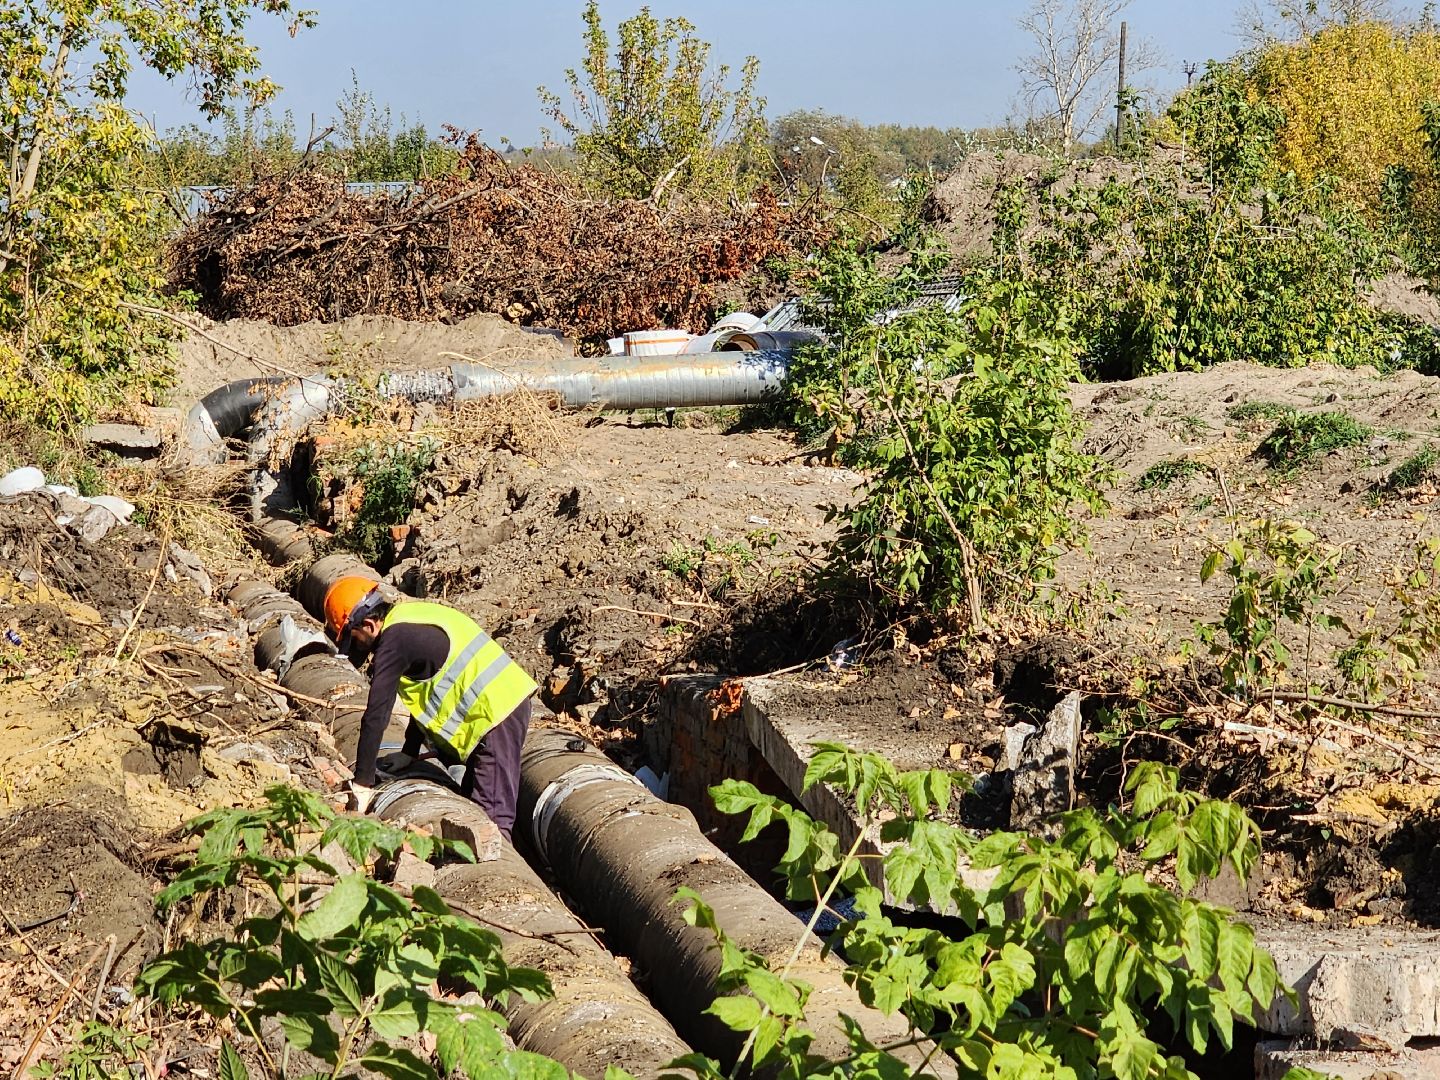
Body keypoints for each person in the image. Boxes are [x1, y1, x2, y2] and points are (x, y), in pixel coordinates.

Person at [322, 576, 537, 839]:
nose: (357, 649)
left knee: (491, 819)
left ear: (368, 625)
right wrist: (409, 751)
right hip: (497, 709)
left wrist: (363, 783)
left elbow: (377, 714)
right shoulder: (407, 619)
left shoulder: (394, 642)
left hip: (496, 713)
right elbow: (428, 692)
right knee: (472, 805)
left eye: (354, 639)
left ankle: (502, 871)